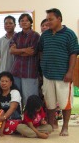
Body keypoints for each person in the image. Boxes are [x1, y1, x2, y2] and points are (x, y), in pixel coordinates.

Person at [39, 8, 79, 136]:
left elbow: (73, 54)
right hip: (47, 75)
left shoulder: (70, 34)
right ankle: (51, 125)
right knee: (50, 103)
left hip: (63, 75)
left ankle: (65, 127)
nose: (48, 22)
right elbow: (40, 51)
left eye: (51, 19)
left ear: (59, 19)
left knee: (65, 103)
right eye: (47, 19)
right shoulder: (45, 35)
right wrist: (43, 66)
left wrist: (70, 72)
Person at [10, 13, 40, 105]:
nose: (24, 22)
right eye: (22, 20)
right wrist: (24, 50)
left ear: (31, 22)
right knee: (16, 97)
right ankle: (17, 118)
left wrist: (17, 51)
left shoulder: (35, 35)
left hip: (29, 71)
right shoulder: (16, 35)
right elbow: (11, 50)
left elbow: (32, 52)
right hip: (16, 71)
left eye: (27, 20)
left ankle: (30, 118)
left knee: (29, 98)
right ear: (19, 23)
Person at [0, 15, 16, 81]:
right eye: (6, 23)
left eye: (10, 23)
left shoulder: (18, 38)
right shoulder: (1, 40)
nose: (8, 25)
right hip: (2, 70)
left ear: (15, 25)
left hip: (15, 71)